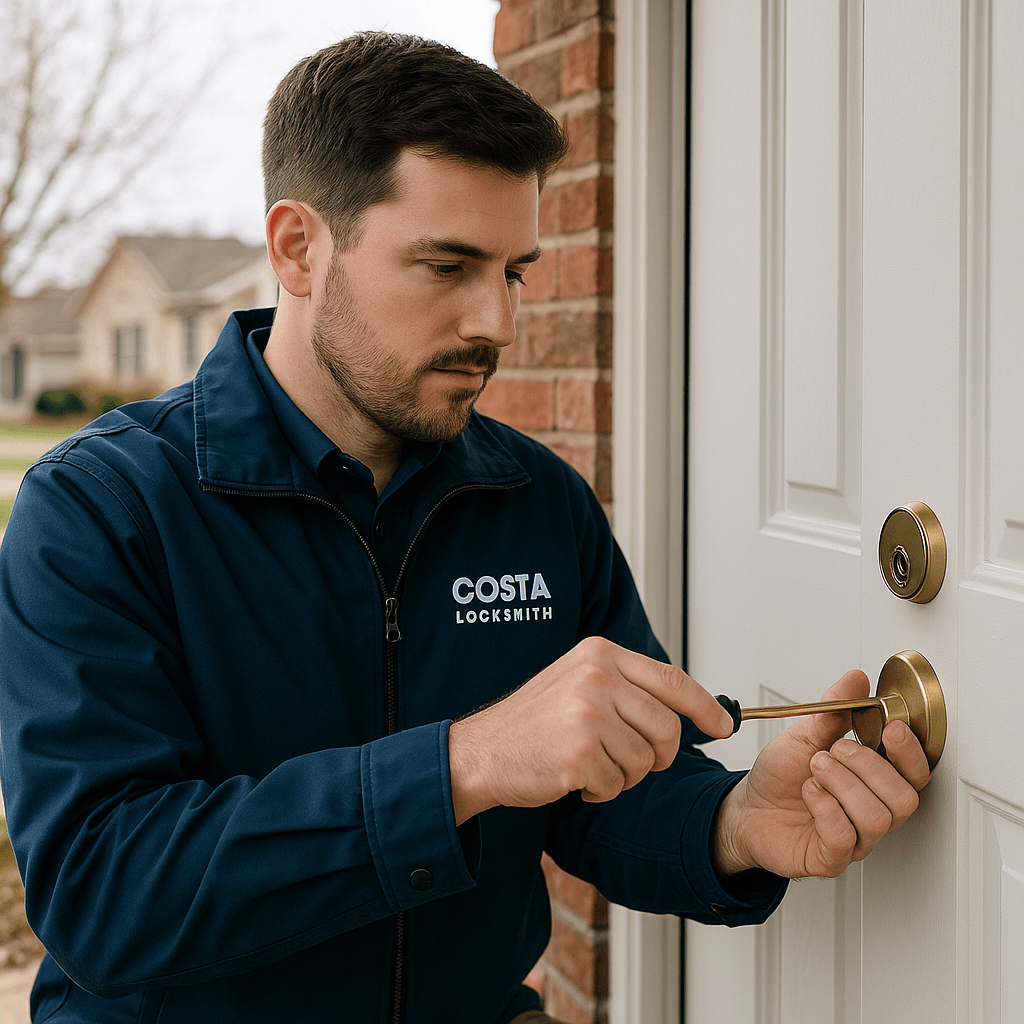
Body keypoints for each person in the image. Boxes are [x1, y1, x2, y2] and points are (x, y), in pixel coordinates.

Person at [0, 32, 930, 1024]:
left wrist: (734, 822)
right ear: (298, 248)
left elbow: (604, 794)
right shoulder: (103, 507)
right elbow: (103, 894)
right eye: (447, 266)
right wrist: (466, 765)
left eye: (514, 273)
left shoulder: (536, 498)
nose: (496, 322)